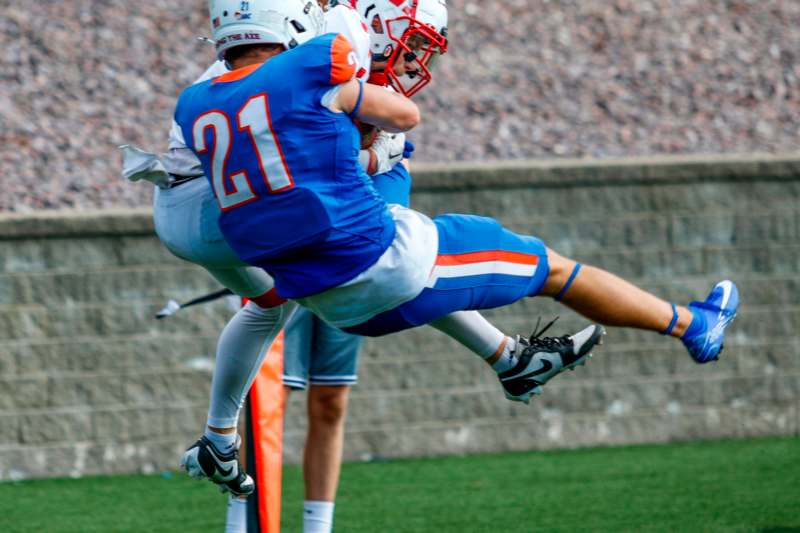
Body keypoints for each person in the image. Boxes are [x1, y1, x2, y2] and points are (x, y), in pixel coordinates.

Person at [172, 0, 739, 501]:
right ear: (291, 19)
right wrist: (374, 130)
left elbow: (297, 159)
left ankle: (508, 360)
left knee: (281, 290)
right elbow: (403, 115)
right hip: (386, 265)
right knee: (554, 269)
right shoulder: (314, 60)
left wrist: (366, 152)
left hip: (324, 295)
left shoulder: (195, 103)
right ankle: (692, 326)